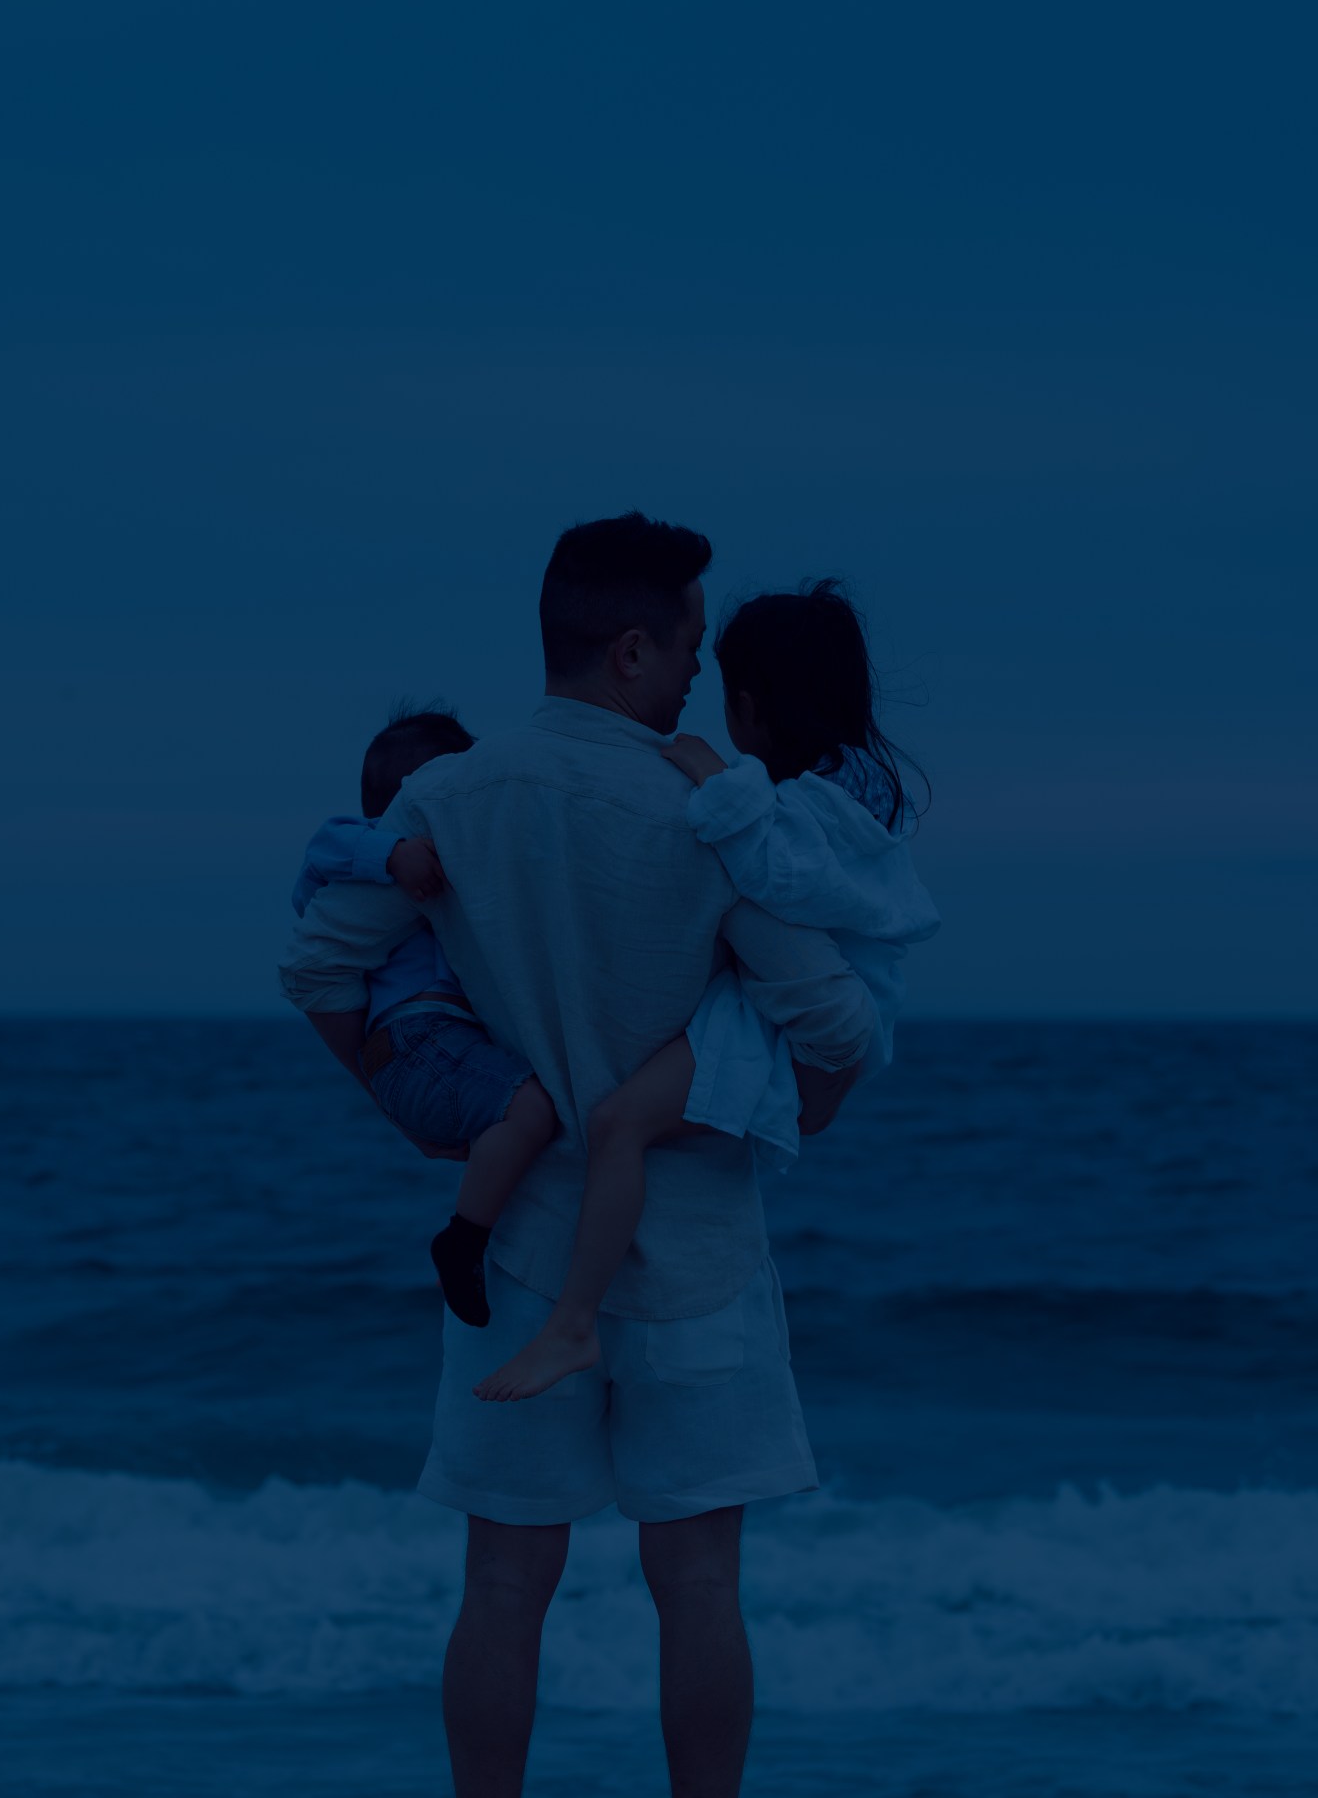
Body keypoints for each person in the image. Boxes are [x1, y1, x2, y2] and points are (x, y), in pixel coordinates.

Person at [279, 511, 874, 1798]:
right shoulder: (710, 809)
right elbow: (830, 1020)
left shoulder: (449, 796)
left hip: (525, 1252)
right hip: (700, 1245)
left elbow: (320, 965)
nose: (695, 678)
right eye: (687, 649)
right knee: (701, 1584)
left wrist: (428, 1109)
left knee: (503, 1583)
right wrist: (798, 1105)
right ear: (628, 651)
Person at [472, 578, 939, 1404]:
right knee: (644, 1121)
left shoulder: (810, 808)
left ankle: (572, 1326)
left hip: (787, 1021)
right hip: (816, 1014)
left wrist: (715, 780)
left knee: (617, 1122)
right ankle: (581, 1320)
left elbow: (775, 877)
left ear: (754, 706)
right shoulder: (859, 791)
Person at [290, 703, 558, 1328]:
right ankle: (462, 1240)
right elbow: (318, 860)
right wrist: (389, 854)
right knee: (529, 1109)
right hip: (414, 1037)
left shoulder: (465, 870)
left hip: (425, 1049)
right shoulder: (374, 858)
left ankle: (479, 1235)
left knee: (523, 1121)